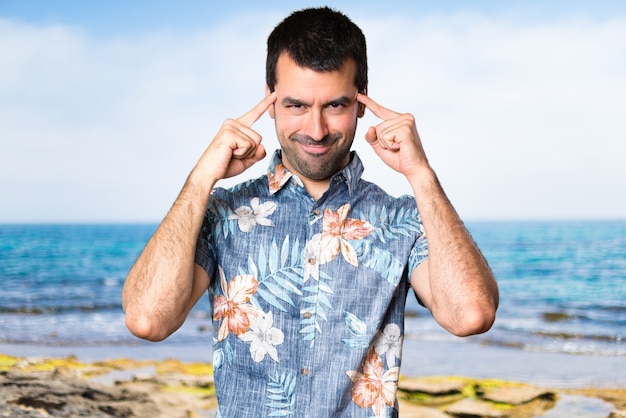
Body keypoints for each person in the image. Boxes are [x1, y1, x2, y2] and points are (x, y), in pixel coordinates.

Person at [122, 6, 499, 417]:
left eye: (335, 106)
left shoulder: (403, 221)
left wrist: (421, 175)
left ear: (361, 101)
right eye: (297, 106)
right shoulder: (220, 214)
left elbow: (470, 315)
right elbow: (147, 320)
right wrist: (200, 180)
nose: (316, 130)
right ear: (270, 101)